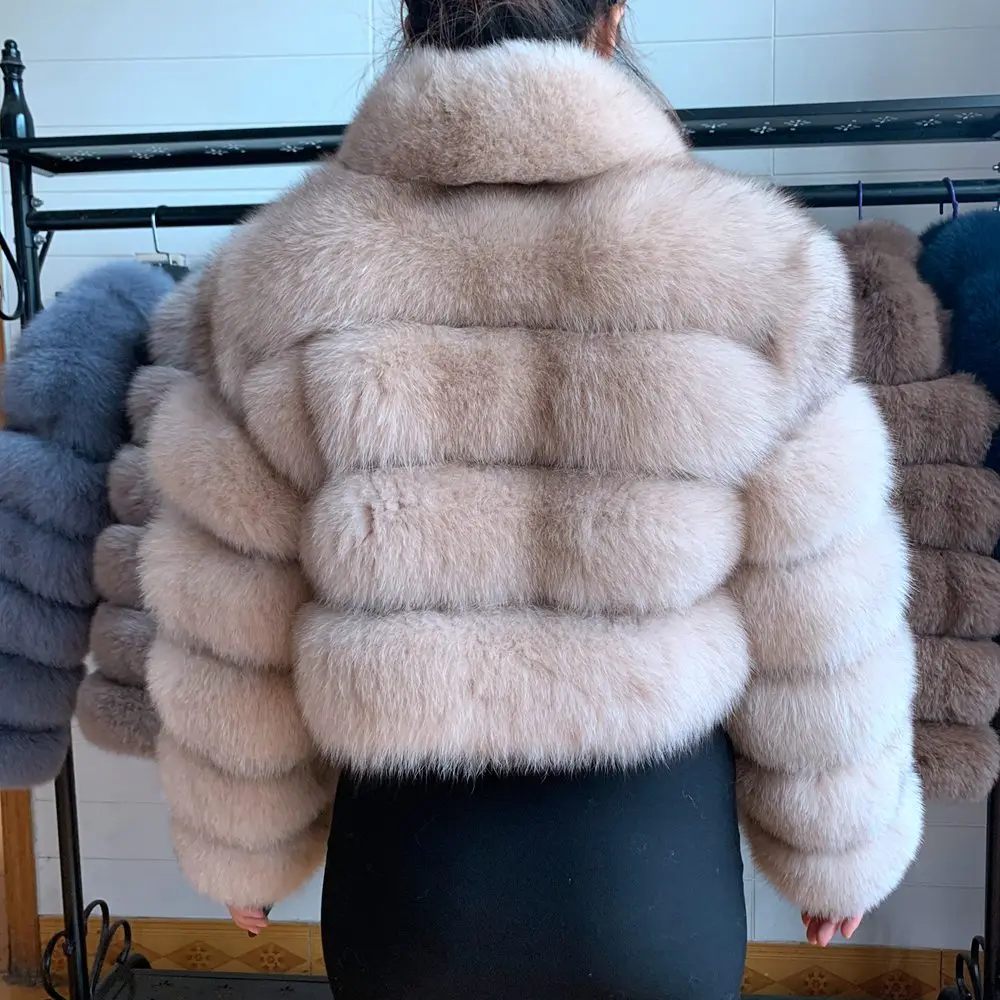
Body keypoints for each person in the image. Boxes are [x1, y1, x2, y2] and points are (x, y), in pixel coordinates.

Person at [137, 1, 924, 997]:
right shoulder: (756, 270)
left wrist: (242, 843)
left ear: (409, 12)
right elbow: (817, 602)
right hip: (651, 879)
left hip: (409, 882)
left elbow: (234, 602)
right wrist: (839, 846)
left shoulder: (277, 276)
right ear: (613, 16)